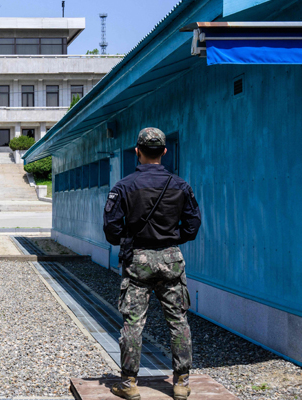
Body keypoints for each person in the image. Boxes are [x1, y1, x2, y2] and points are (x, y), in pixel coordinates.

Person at [103, 127, 201, 400]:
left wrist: (130, 238)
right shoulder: (180, 185)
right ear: (164, 152)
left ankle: (129, 384)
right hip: (171, 258)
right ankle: (181, 382)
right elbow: (193, 226)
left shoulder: (123, 186)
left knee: (133, 324)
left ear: (138, 151)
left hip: (138, 260)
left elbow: (111, 230)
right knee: (178, 320)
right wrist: (171, 238)